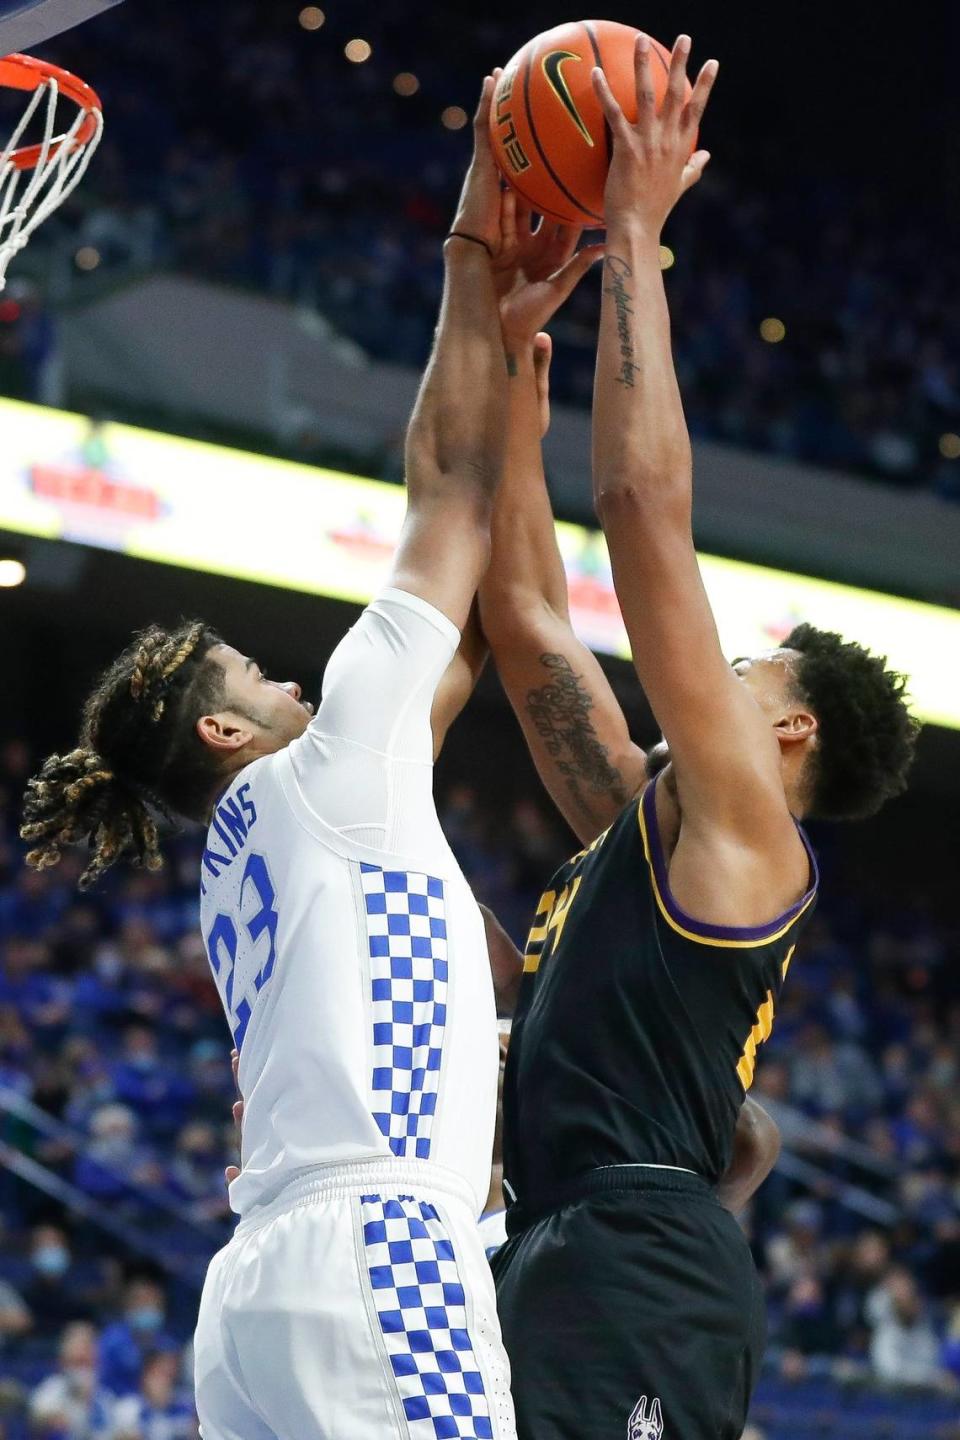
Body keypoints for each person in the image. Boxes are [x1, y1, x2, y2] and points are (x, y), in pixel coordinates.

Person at [18, 74, 595, 1440]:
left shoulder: (282, 829)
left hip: (258, 1296)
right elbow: (442, 492)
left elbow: (460, 659)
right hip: (379, 1252)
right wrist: (477, 232)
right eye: (255, 678)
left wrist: (511, 395)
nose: (289, 678)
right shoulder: (321, 779)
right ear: (226, 732)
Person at [478, 34, 919, 1440]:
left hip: (632, 1267)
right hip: (569, 1249)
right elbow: (533, 628)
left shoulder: (748, 828)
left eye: (740, 665)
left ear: (785, 731)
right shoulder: (647, 823)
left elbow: (644, 515)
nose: (707, 668)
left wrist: (634, 241)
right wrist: (504, 384)